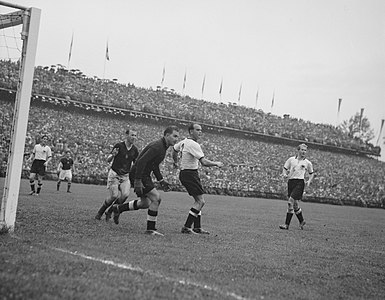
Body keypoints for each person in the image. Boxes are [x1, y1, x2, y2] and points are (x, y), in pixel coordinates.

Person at [112, 126, 180, 236]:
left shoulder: (163, 146)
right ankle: (150, 229)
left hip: (142, 174)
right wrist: (138, 180)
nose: (176, 139)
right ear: (167, 135)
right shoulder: (157, 147)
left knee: (145, 203)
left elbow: (154, 164)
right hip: (140, 174)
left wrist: (161, 180)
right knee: (156, 199)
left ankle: (118, 208)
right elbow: (141, 162)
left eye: (177, 137)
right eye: (174, 136)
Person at [172, 123, 223, 234]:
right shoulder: (193, 144)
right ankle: (186, 227)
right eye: (198, 130)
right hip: (190, 174)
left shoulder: (183, 142)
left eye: (201, 130)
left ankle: (197, 227)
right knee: (200, 201)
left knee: (198, 200)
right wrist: (216, 163)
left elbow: (174, 150)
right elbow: (204, 162)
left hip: (187, 173)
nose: (200, 132)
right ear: (191, 131)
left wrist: (175, 162)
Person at [95, 128, 139, 221]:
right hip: (115, 174)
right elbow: (108, 159)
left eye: (135, 135)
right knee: (114, 196)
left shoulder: (135, 150)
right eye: (132, 135)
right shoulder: (119, 146)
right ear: (126, 135)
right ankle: (100, 212)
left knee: (125, 195)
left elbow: (136, 164)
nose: (134, 137)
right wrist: (113, 155)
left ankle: (110, 211)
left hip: (125, 176)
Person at [279, 143, 314, 230]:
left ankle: (286, 225)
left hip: (300, 182)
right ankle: (302, 221)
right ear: (298, 150)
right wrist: (284, 174)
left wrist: (309, 181)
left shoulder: (307, 163)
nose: (304, 152)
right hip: (291, 182)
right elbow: (285, 168)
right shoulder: (291, 160)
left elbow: (311, 173)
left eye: (305, 150)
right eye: (302, 150)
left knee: (290, 201)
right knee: (295, 205)